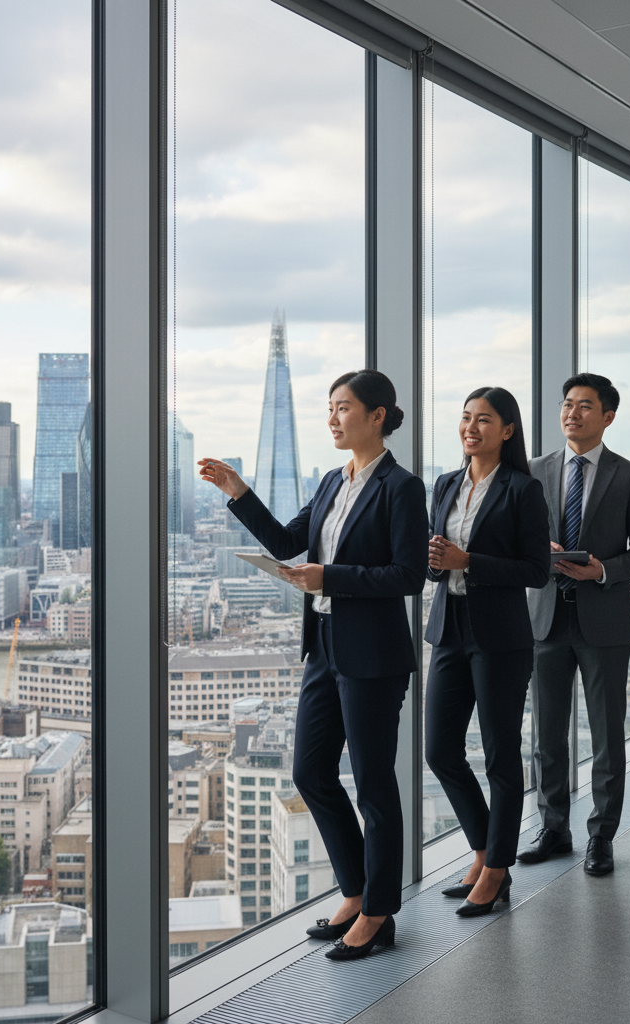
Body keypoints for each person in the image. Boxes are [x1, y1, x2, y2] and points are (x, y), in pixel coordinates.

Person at [198, 369, 427, 961]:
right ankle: (356, 890)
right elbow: (285, 543)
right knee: (310, 772)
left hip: (373, 654)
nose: (332, 418)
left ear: (377, 415)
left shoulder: (402, 488)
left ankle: (379, 913)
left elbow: (408, 575)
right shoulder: (330, 481)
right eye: (329, 408)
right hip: (324, 644)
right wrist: (238, 492)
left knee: (374, 787)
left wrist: (333, 578)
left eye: (343, 407)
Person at [519, 373, 630, 876]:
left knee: (605, 735)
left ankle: (602, 836)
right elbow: (516, 538)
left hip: (604, 619)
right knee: (547, 735)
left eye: (584, 406)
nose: (572, 413)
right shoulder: (534, 470)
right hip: (546, 617)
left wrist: (602, 569)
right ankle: (553, 828)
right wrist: (541, 551)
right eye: (567, 404)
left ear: (608, 416)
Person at [425, 387, 549, 917]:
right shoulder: (446, 484)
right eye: (466, 418)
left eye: (484, 420)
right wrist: (436, 560)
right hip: (449, 629)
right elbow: (434, 564)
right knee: (439, 749)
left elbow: (535, 570)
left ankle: (496, 870)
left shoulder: (523, 490)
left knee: (500, 754)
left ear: (508, 430)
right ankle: (484, 849)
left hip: (500, 636)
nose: (471, 428)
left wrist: (468, 559)